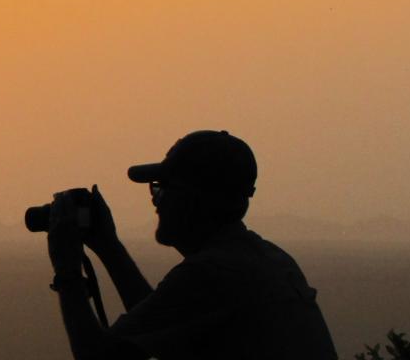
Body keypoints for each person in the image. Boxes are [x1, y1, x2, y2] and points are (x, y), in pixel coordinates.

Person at [45, 130, 336, 359]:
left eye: (162, 190)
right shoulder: (271, 260)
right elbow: (159, 322)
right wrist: (109, 247)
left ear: (193, 200)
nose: (155, 201)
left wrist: (67, 270)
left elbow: (97, 355)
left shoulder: (213, 273)